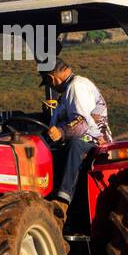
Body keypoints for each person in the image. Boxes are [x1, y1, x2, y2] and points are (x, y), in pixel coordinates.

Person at [42, 58, 111, 214]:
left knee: (74, 145)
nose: (50, 86)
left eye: (48, 82)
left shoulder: (76, 87)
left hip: (93, 140)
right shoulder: (71, 89)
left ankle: (62, 201)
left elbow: (82, 123)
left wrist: (61, 132)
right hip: (84, 137)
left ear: (51, 78)